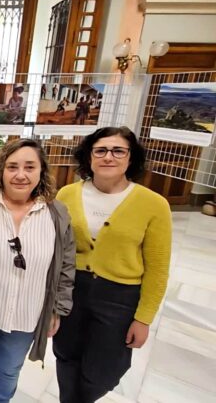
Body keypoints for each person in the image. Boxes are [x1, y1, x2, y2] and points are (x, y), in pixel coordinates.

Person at [53, 127, 171, 403]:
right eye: (101, 150)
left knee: (105, 370)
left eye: (118, 150)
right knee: (67, 356)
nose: (109, 157)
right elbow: (55, 251)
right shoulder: (67, 195)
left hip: (119, 297)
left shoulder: (154, 204)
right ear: (89, 156)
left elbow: (158, 267)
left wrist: (143, 319)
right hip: (73, 290)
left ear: (131, 158)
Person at [0, 138, 76, 403]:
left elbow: (66, 266)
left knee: (8, 371)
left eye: (29, 167)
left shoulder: (56, 214)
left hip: (27, 315)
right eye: (12, 167)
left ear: (41, 171)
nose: (20, 175)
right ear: (1, 170)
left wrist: (57, 309)